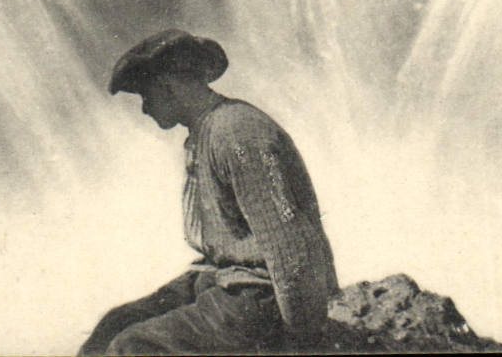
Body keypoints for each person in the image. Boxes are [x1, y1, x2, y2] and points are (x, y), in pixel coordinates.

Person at [80, 30, 338, 356]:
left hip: (259, 296)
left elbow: (291, 250)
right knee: (114, 326)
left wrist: (303, 340)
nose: (145, 109)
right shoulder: (203, 134)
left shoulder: (237, 132)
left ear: (167, 87)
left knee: (132, 347)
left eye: (146, 96)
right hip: (222, 279)